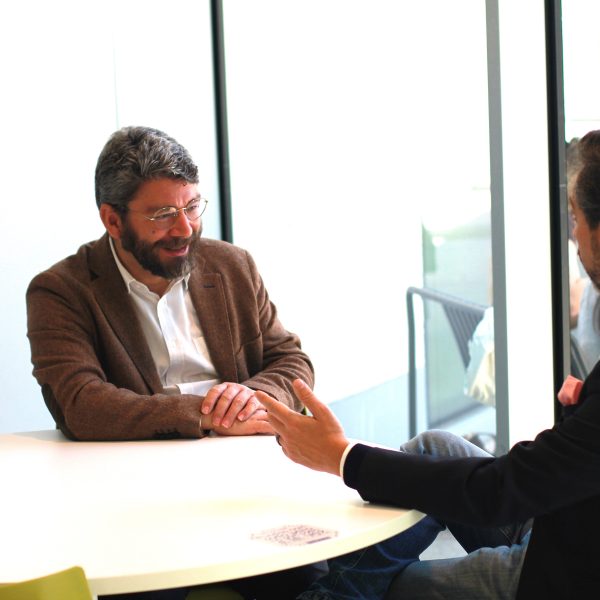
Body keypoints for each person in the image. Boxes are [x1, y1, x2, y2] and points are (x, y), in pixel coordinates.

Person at [259, 130, 600, 599]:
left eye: (575, 218)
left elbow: (498, 492)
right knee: (432, 447)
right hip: (562, 517)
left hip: (572, 569)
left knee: (392, 589)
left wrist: (341, 456)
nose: (573, 238)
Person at [26, 126, 322, 599]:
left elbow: (289, 359)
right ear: (113, 219)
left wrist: (251, 397)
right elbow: (81, 405)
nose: (185, 228)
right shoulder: (61, 291)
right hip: (136, 503)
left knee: (307, 581)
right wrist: (209, 413)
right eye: (163, 214)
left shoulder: (232, 265)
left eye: (192, 206)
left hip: (247, 486)